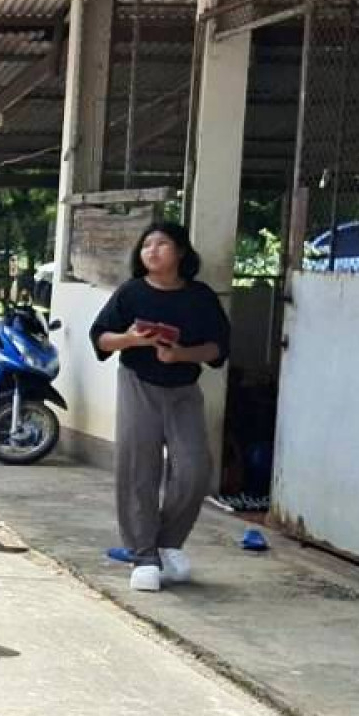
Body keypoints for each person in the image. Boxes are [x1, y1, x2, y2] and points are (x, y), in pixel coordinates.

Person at [89, 220, 230, 594]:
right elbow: (101, 339)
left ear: (181, 252)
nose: (151, 250)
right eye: (146, 244)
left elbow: (218, 347)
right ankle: (144, 556)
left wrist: (181, 353)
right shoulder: (131, 293)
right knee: (139, 468)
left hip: (184, 389)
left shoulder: (200, 297)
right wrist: (132, 339)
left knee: (195, 469)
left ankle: (167, 542)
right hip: (139, 385)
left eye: (162, 244)